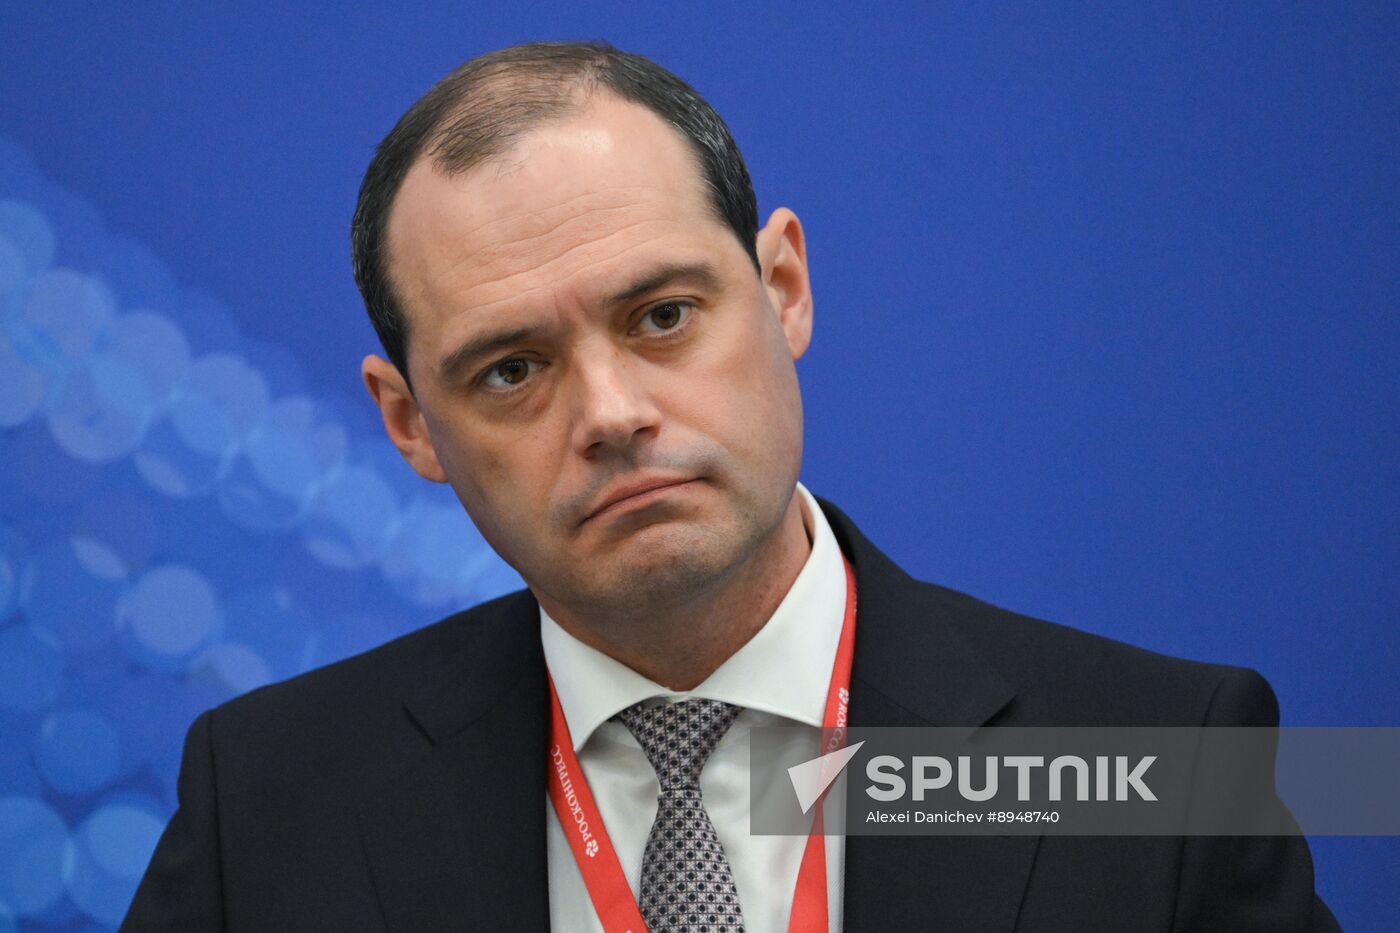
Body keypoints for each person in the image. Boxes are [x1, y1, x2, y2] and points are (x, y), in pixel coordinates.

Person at [122, 41, 1340, 931]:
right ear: (410, 425)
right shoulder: (266, 803)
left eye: (661, 315)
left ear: (783, 289)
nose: (609, 414)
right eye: (510, 370)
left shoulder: (1156, 763)